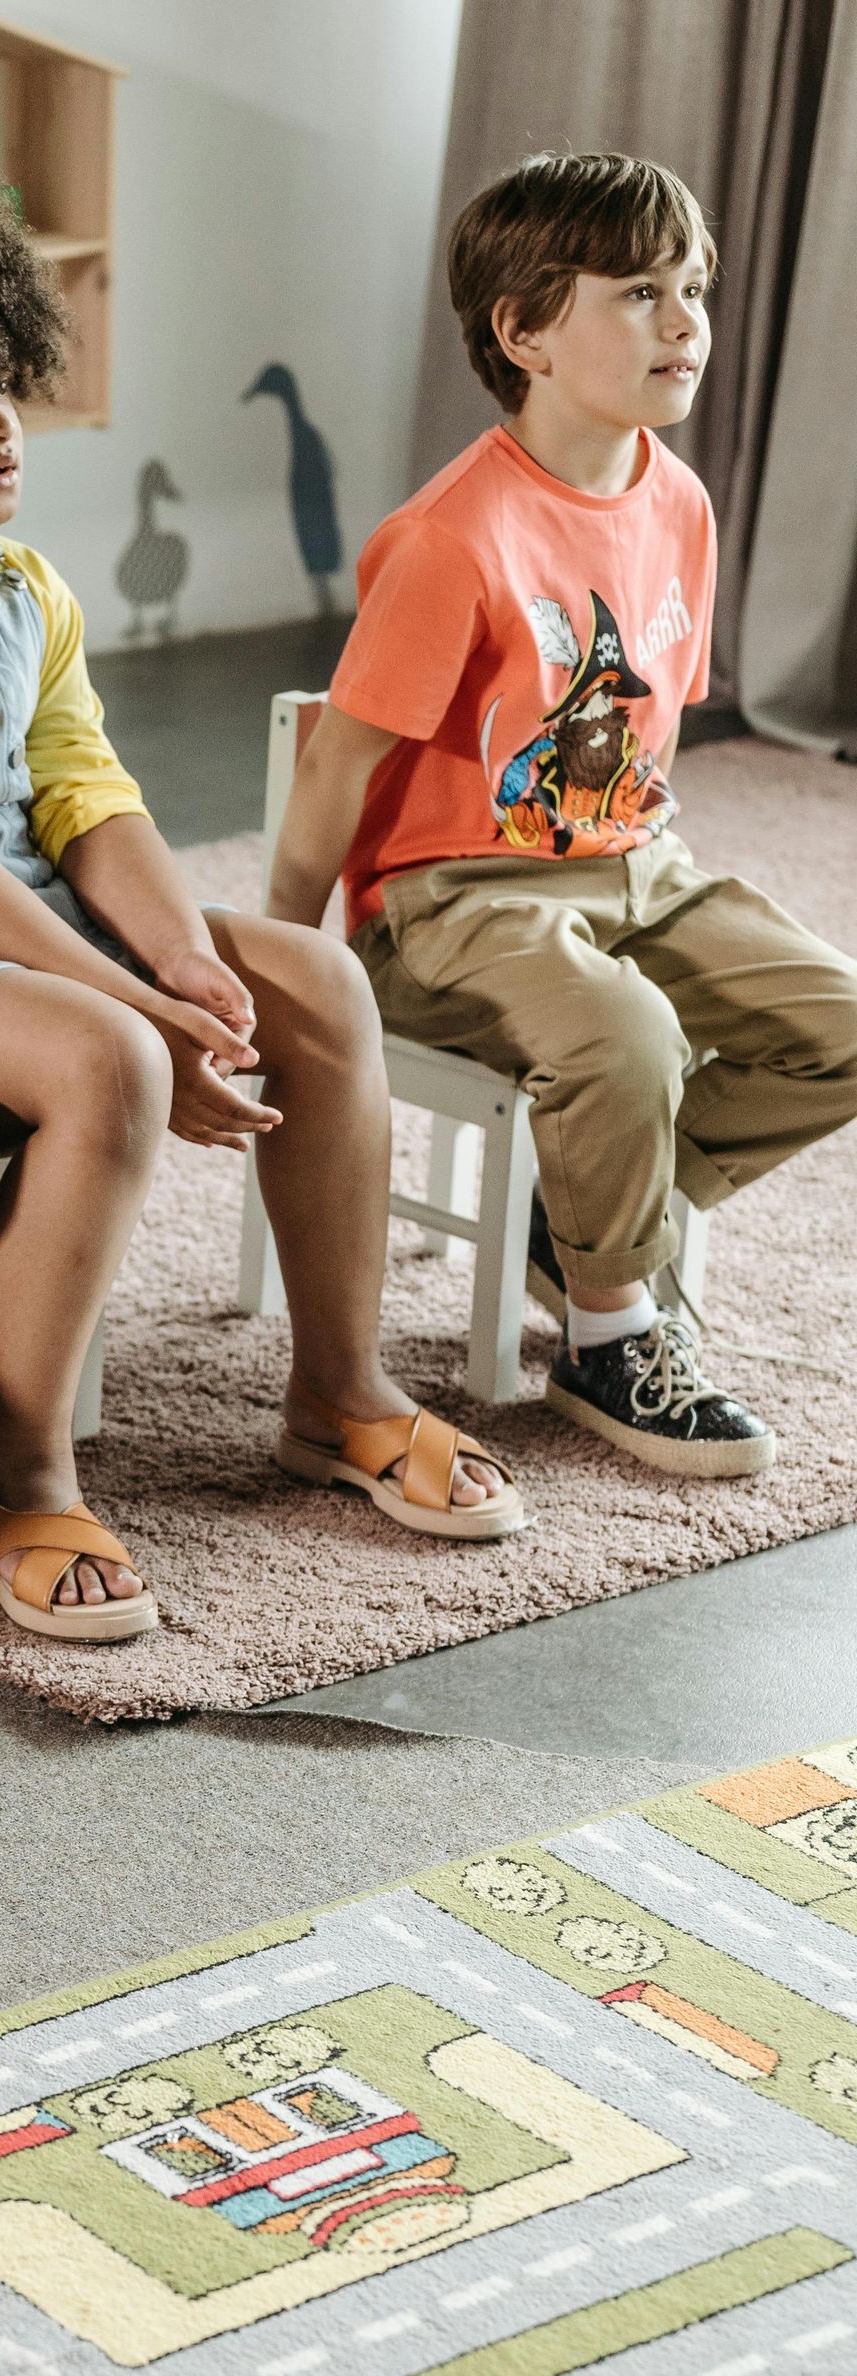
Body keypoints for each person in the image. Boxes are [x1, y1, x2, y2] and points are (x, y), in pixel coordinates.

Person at [0, 174, 520, 1649]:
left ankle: (341, 1396)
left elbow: (84, 800)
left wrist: (193, 962)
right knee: (107, 1061)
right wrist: (145, 1012)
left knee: (314, 986)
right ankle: (19, 1470)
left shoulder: (21, 584)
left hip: (6, 911)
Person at [268, 149, 857, 1476]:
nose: (685, 320)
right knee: (629, 1038)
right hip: (451, 903)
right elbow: (334, 769)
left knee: (838, 1027)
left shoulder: (683, 505)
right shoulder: (451, 540)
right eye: (640, 290)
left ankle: (579, 1226)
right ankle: (613, 1334)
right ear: (523, 331)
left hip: (636, 866)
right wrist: (287, 967)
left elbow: (645, 732)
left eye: (691, 288)